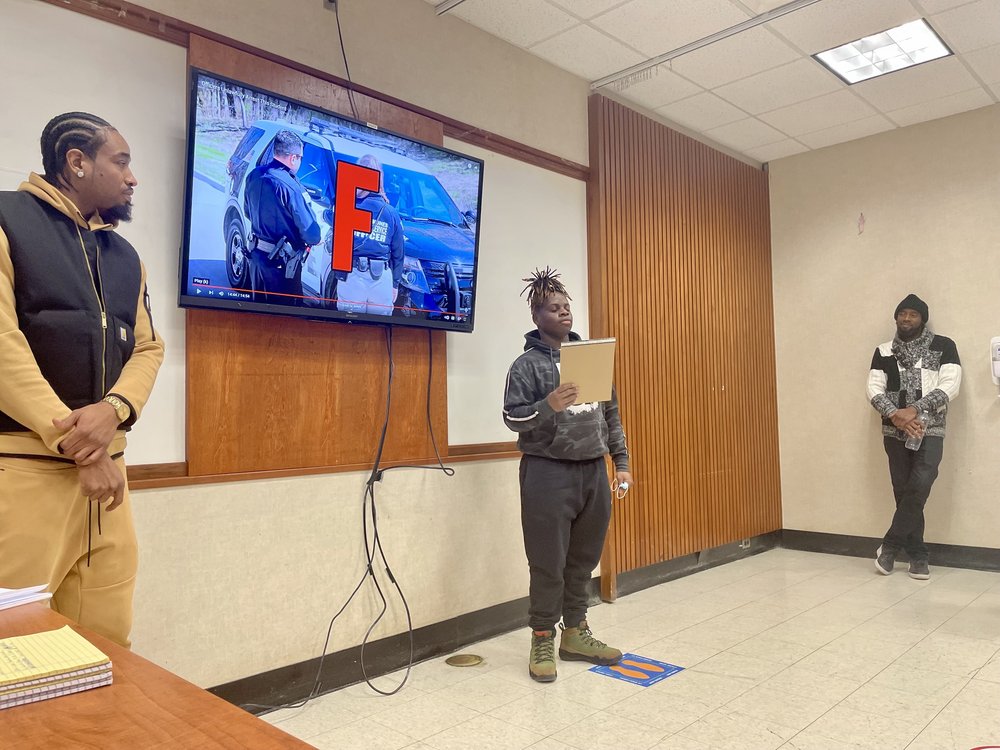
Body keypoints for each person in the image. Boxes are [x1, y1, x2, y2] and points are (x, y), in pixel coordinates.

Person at [0, 112, 164, 647]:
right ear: (77, 162)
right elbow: (4, 349)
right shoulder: (6, 221)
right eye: (121, 161)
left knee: (107, 638)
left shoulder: (126, 256)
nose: (132, 177)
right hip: (26, 472)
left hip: (109, 484)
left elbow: (147, 346)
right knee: (15, 646)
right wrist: (84, 451)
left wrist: (115, 410)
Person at [502, 268, 632, 682]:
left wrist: (622, 463)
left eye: (566, 307)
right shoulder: (525, 366)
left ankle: (574, 633)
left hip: (593, 472)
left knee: (582, 561)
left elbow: (610, 415)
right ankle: (542, 636)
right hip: (547, 474)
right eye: (553, 308)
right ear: (536, 315)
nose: (564, 313)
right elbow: (511, 417)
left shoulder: (590, 358)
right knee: (547, 563)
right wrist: (548, 405)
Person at [867, 294, 961, 580]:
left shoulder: (943, 346)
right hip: (894, 431)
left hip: (930, 429)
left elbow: (950, 386)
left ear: (923, 319)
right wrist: (896, 415)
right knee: (903, 489)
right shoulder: (884, 351)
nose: (906, 319)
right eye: (902, 314)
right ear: (896, 318)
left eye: (913, 315)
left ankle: (891, 546)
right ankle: (918, 555)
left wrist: (913, 410)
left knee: (920, 484)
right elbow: (874, 388)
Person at [243, 130, 321, 304]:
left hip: (257, 260)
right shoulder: (292, 187)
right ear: (293, 158)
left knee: (257, 319)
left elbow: (248, 212)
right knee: (285, 324)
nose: (300, 161)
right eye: (300, 157)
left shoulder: (254, 176)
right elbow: (312, 235)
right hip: (282, 267)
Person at [336, 154, 404, 316]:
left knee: (348, 330)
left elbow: (337, 246)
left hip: (352, 277)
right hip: (381, 280)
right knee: (379, 333)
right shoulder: (391, 213)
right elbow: (398, 254)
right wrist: (395, 284)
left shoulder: (347, 206)